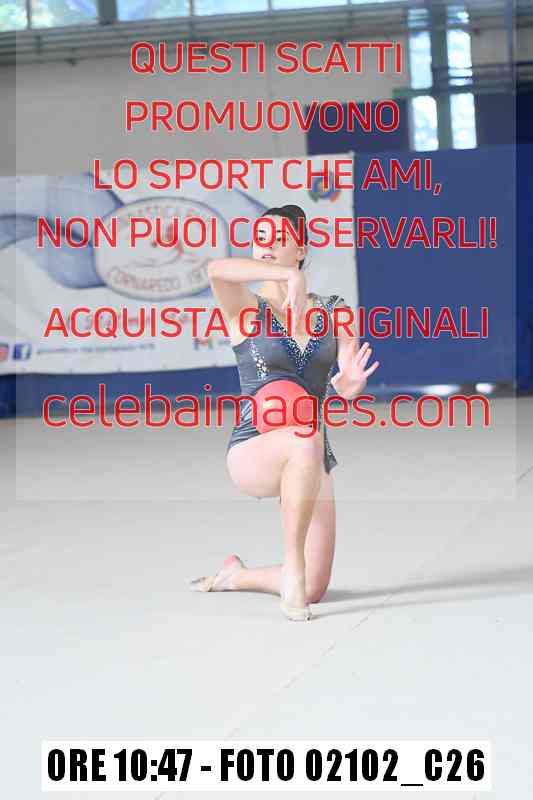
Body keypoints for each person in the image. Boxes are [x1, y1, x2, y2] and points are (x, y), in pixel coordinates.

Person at [189, 204, 379, 621]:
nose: (268, 245)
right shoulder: (245, 308)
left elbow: (347, 370)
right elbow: (216, 269)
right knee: (305, 437)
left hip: (311, 453)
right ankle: (292, 566)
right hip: (254, 447)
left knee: (316, 587)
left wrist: (346, 386)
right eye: (261, 237)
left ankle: (235, 577)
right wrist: (288, 276)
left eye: (280, 238)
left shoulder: (333, 310)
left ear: (302, 248)